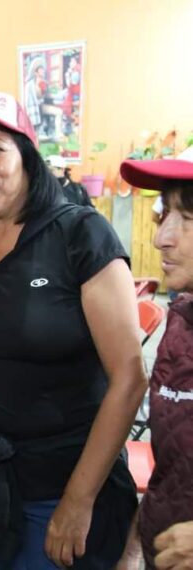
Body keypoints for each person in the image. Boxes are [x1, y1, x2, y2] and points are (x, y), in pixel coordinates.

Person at [0, 90, 148, 569]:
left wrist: (78, 501)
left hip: (65, 489)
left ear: (28, 159)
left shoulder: (80, 234)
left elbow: (129, 376)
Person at [117, 153, 193, 570]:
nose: (162, 237)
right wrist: (132, 550)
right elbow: (171, 470)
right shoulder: (179, 325)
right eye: (165, 214)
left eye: (188, 219)